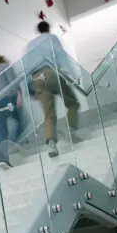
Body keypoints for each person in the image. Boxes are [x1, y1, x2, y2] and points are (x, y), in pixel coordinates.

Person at [24, 21, 80, 158]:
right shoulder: (51, 38)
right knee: (72, 103)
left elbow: (26, 67)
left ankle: (51, 145)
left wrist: (30, 88)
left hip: (36, 78)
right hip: (51, 73)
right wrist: (72, 75)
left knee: (48, 113)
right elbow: (61, 56)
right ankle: (70, 131)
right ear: (48, 29)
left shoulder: (30, 45)